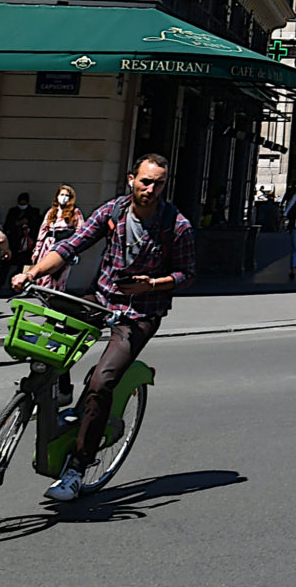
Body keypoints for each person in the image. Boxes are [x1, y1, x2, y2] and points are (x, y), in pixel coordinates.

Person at [13, 152, 195, 504]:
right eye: (145, 181)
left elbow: (188, 275)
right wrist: (32, 273)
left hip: (142, 312)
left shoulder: (178, 225)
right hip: (102, 299)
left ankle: (77, 468)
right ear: (131, 180)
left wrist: (153, 284)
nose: (151, 188)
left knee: (102, 381)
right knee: (50, 335)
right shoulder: (112, 212)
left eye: (158, 183)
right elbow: (71, 245)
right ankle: (62, 394)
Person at [27, 186, 82, 288]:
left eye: (67, 195)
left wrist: (76, 250)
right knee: (44, 274)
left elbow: (80, 232)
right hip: (49, 244)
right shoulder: (52, 211)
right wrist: (37, 250)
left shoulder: (75, 212)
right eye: (62, 195)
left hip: (64, 245)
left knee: (60, 276)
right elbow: (43, 231)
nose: (64, 197)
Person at [3, 192, 37, 265]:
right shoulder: (13, 212)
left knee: (24, 265)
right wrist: (16, 224)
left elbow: (36, 225)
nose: (22, 206)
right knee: (6, 265)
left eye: (24, 204)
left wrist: (28, 222)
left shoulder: (33, 212)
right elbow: (7, 226)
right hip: (14, 242)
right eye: (20, 204)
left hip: (27, 244)